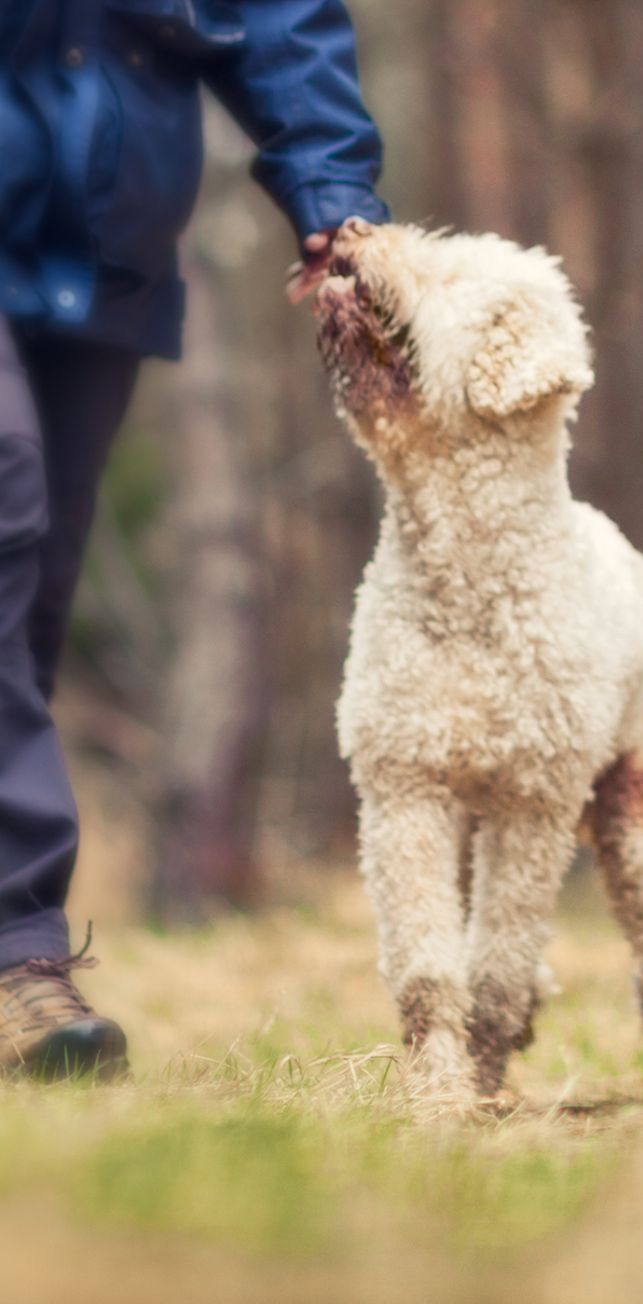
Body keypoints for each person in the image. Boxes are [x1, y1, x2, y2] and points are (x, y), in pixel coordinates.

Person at [0, 0, 388, 1079]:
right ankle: (13, 957)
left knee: (26, 608)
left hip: (95, 241)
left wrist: (332, 192)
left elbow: (278, 14)